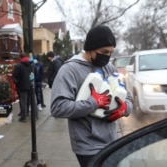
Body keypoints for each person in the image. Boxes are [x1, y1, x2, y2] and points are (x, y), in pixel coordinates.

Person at [50, 25, 133, 167]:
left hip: (111, 140)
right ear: (90, 48)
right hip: (88, 145)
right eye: (103, 52)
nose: (107, 56)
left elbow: (129, 96)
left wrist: (125, 108)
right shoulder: (69, 70)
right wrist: (93, 103)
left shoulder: (109, 68)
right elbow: (57, 107)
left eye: (110, 52)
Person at [12, 54, 32, 122]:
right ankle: (26, 113)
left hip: (21, 86)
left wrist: (17, 83)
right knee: (27, 101)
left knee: (23, 101)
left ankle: (24, 116)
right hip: (29, 85)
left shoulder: (18, 66)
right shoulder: (30, 65)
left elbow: (15, 76)